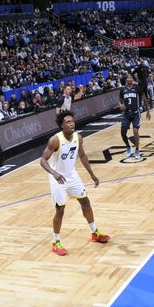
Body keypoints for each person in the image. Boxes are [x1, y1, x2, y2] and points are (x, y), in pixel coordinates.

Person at [40, 110, 110, 256]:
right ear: (62, 125)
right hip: (57, 178)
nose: (72, 124)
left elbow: (82, 155)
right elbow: (43, 160)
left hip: (72, 176)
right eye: (68, 122)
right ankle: (56, 242)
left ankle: (95, 233)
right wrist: (54, 173)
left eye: (72, 121)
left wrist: (92, 175)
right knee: (60, 209)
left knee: (85, 202)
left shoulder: (78, 138)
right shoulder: (55, 140)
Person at [119, 74, 151, 159]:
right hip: (126, 114)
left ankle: (137, 149)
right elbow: (120, 100)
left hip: (136, 113)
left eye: (130, 78)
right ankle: (128, 147)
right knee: (123, 132)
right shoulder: (122, 89)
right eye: (128, 78)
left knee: (135, 131)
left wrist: (148, 111)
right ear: (126, 80)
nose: (129, 79)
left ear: (132, 80)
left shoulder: (137, 87)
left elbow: (144, 98)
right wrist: (120, 105)